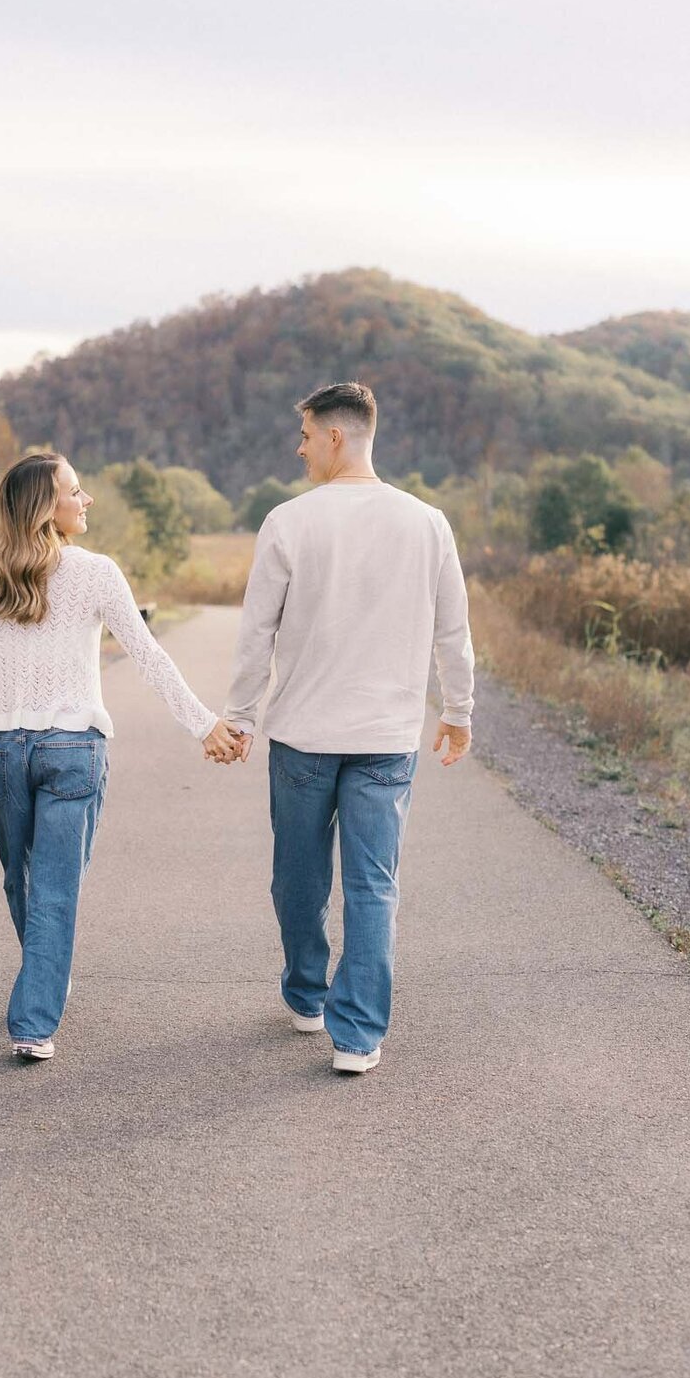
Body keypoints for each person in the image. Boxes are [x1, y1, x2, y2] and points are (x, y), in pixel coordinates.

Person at [0, 451, 242, 1062]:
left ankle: (38, 993)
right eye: (75, 492)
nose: (87, 501)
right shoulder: (97, 572)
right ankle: (36, 1018)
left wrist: (3, 697)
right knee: (54, 882)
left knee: (20, 874)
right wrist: (203, 723)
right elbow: (147, 654)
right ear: (47, 508)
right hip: (74, 746)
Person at [222, 382, 474, 1076]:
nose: (298, 448)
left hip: (304, 735)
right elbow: (454, 631)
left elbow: (255, 635)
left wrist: (240, 717)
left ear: (336, 436)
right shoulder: (428, 522)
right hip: (387, 738)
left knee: (298, 877)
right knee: (373, 884)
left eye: (304, 434)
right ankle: (357, 1035)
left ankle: (308, 994)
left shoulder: (289, 521)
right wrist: (457, 711)